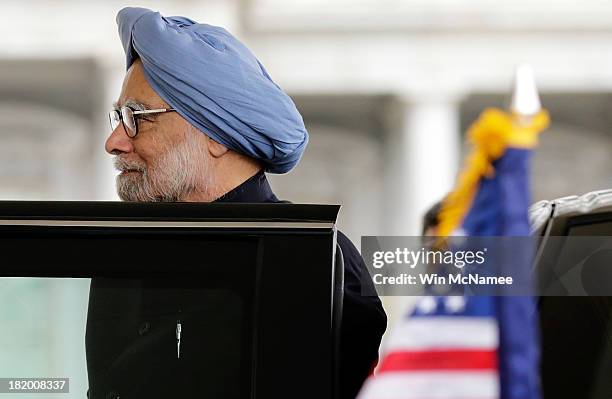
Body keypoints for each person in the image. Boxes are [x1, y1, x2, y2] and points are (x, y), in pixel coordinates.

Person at [86, 7, 386, 399]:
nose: (115, 142)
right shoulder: (126, 256)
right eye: (118, 118)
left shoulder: (315, 257)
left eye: (138, 117)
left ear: (217, 136)